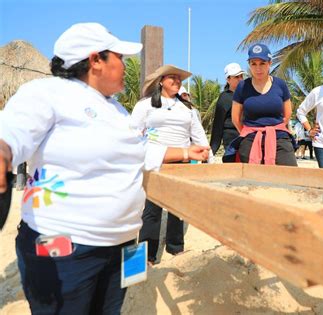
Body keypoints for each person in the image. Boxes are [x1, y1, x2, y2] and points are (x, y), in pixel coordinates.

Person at [0, 23, 209, 314]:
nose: (125, 65)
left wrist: (186, 151)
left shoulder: (116, 109)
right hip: (65, 248)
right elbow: (12, 132)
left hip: (119, 247)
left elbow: (139, 151)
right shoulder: (47, 93)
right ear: (96, 60)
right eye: (120, 58)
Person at [131, 64, 213, 264]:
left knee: (178, 207)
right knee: (152, 209)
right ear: (161, 81)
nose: (177, 81)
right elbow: (133, 132)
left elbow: (198, 134)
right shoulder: (145, 105)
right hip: (154, 160)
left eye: (179, 79)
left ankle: (176, 248)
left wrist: (209, 159)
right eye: (172, 78)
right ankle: (148, 256)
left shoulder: (187, 108)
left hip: (182, 161)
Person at [228, 44, 297, 166]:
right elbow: (235, 118)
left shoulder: (280, 84)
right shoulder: (242, 86)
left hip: (279, 136)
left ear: (270, 63)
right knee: (252, 178)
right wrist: (248, 132)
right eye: (253, 64)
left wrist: (273, 129)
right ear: (249, 65)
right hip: (251, 137)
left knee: (290, 175)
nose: (258, 68)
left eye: (262, 63)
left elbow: (288, 114)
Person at [209, 63, 244, 155]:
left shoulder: (248, 95)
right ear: (228, 79)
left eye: (241, 76)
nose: (240, 79)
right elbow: (218, 125)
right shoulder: (224, 98)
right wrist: (212, 151)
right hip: (231, 142)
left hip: (248, 139)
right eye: (236, 77)